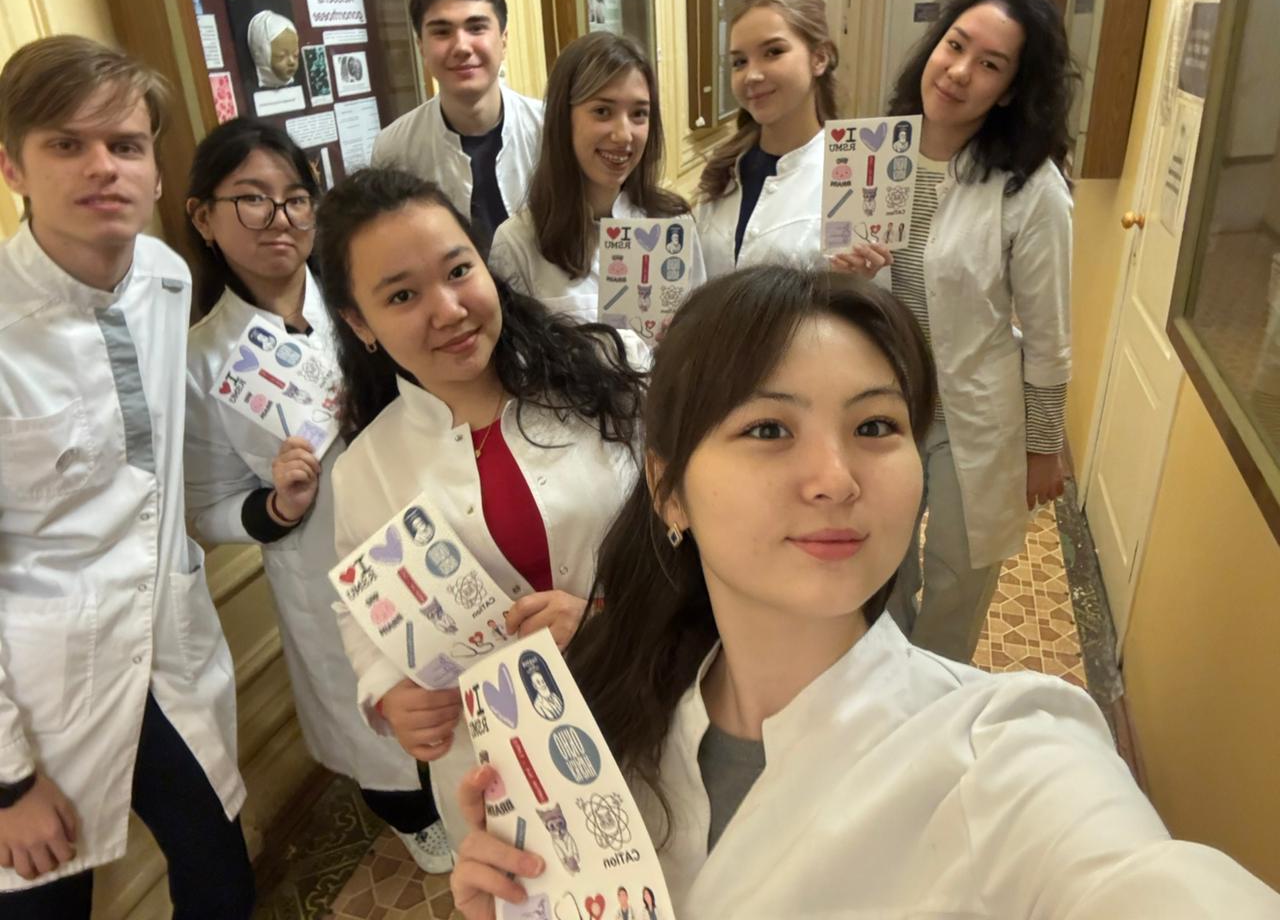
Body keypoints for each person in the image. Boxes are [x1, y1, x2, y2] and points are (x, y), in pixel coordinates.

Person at [447, 266, 1280, 918]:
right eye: (768, 429)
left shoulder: (1006, 755)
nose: (836, 478)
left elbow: (1128, 879)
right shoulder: (613, 719)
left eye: (876, 426)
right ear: (669, 490)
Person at [313, 167, 648, 852]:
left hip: (644, 701)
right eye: (402, 295)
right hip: (503, 770)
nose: (447, 310)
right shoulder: (365, 470)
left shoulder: (607, 373)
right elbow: (360, 603)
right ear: (359, 322)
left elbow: (691, 530)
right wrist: (387, 689)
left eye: (458, 270)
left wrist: (608, 621)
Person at [0, 36, 253, 916]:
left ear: (154, 170)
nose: (103, 167)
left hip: (165, 645)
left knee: (220, 875)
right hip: (42, 689)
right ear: (13, 166)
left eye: (126, 144)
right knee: (46, 900)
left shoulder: (167, 278)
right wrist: (8, 781)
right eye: (67, 144)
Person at [182, 119, 452, 873]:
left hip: (431, 530)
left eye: (296, 198)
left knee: (456, 681)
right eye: (252, 199)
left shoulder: (361, 300)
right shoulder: (200, 360)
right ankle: (413, 817)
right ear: (203, 216)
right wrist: (277, 507)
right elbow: (205, 508)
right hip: (324, 565)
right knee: (377, 721)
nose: (280, 218)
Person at [834, 0, 1074, 662]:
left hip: (974, 410)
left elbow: (1049, 336)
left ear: (1012, 90)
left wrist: (1043, 447)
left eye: (990, 64)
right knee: (881, 564)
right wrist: (842, 270)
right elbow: (836, 290)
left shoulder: (1032, 189)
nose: (961, 71)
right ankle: (886, 680)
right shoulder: (872, 156)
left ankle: (938, 697)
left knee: (958, 576)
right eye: (955, 45)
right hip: (884, 401)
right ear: (933, 46)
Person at [488, 32, 702, 324]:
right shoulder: (517, 244)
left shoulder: (673, 224)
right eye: (602, 111)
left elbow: (704, 336)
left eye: (639, 114)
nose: (624, 135)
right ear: (563, 119)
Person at [372, 0, 542, 249]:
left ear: (503, 40)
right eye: (442, 32)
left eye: (476, 28)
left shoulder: (550, 128)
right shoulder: (394, 149)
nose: (462, 46)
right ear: (421, 47)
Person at [694, 0, 839, 279]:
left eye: (773, 52)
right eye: (739, 62)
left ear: (819, 58)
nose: (752, 75)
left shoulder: (844, 177)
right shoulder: (724, 170)